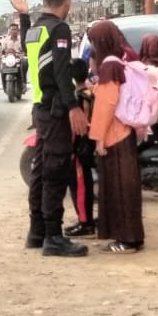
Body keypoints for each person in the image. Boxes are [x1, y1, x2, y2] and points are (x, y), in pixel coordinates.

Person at [22, 0, 89, 258]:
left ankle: (37, 232)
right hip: (55, 109)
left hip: (40, 108)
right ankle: (53, 237)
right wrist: (74, 107)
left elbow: (35, 60)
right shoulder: (59, 28)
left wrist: (24, 16)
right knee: (56, 171)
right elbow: (62, 72)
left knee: (40, 171)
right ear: (67, 3)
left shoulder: (34, 29)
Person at [86, 20, 146, 253]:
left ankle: (128, 239)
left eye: (94, 41)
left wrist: (99, 138)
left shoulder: (109, 67)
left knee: (120, 189)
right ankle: (127, 237)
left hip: (115, 136)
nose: (93, 46)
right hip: (123, 134)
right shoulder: (118, 61)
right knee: (123, 188)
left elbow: (107, 103)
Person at [66, 57, 99, 238]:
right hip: (89, 145)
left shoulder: (78, 98)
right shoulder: (90, 92)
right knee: (84, 184)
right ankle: (85, 221)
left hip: (80, 147)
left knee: (79, 186)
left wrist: (71, 149)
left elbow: (77, 128)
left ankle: (85, 223)